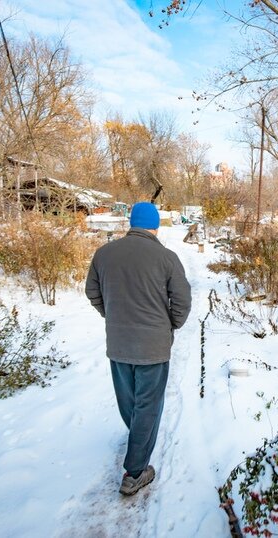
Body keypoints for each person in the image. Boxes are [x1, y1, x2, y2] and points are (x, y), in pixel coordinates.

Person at [85, 202, 192, 496]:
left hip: (118, 344)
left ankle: (137, 442)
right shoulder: (167, 258)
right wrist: (170, 324)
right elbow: (182, 302)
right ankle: (135, 472)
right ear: (155, 226)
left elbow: (92, 291)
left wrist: (113, 315)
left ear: (131, 223)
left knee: (129, 401)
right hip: (153, 346)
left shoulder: (104, 254)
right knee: (147, 405)